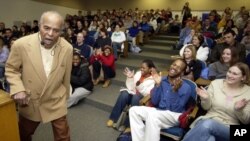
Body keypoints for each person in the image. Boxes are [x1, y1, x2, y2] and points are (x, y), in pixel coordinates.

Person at [5, 11, 72, 141]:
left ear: (61, 32)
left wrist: (65, 97)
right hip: (31, 100)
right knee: (24, 134)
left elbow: (66, 75)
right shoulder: (21, 44)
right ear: (39, 25)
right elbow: (11, 69)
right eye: (46, 28)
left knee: (63, 136)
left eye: (56, 30)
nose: (51, 34)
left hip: (56, 100)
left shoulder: (67, 48)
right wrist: (18, 88)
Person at [182, 63, 250, 141]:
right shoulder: (216, 83)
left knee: (208, 124)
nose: (230, 75)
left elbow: (246, 121)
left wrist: (239, 110)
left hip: (231, 129)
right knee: (210, 139)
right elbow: (206, 107)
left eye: (234, 74)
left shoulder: (248, 92)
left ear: (243, 77)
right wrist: (206, 99)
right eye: (229, 72)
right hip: (208, 119)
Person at [129, 59, 191, 141]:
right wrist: (158, 85)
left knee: (153, 116)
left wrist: (174, 91)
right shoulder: (162, 80)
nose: (174, 67)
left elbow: (176, 109)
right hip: (158, 111)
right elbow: (154, 101)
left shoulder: (186, 87)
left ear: (182, 72)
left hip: (174, 116)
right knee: (133, 110)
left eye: (179, 67)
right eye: (174, 64)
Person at [106, 60, 156, 129]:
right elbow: (131, 87)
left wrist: (139, 85)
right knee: (124, 94)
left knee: (136, 97)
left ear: (150, 69)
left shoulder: (153, 79)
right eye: (141, 67)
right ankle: (113, 118)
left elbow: (147, 93)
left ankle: (129, 125)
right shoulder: (138, 73)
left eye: (144, 68)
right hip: (134, 94)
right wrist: (130, 78)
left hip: (143, 100)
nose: (141, 69)